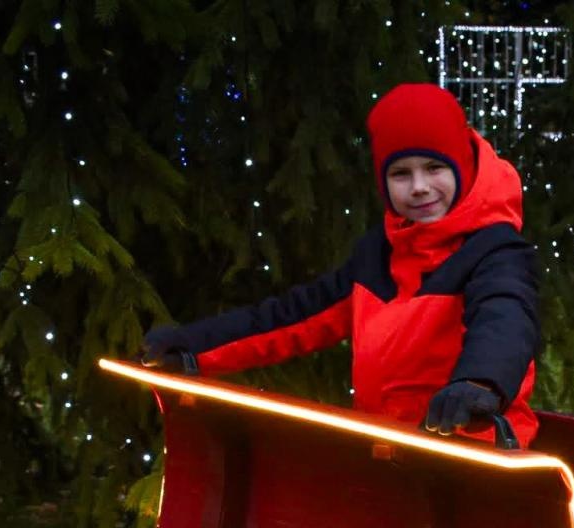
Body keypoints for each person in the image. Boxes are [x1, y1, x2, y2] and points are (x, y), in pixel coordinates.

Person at [138, 83, 541, 445]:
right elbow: (292, 317)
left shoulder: (494, 252)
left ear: (462, 167)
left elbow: (505, 317)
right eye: (401, 174)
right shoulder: (379, 255)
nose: (419, 187)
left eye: (434, 168)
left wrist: (479, 383)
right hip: (391, 450)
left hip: (473, 452)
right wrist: (195, 346)